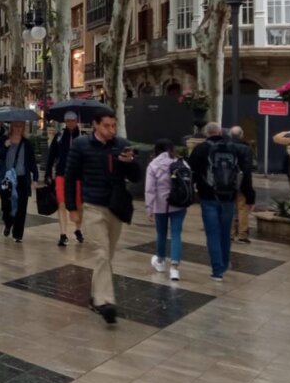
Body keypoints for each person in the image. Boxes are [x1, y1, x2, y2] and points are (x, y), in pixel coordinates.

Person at [65, 109, 140, 325]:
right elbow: (70, 177)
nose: (111, 130)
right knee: (101, 253)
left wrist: (130, 162)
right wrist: (72, 208)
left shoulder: (121, 145)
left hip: (116, 207)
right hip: (92, 207)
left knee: (107, 255)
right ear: (95, 125)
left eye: (113, 126)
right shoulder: (81, 145)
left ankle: (95, 296)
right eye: (106, 126)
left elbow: (136, 176)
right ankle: (105, 301)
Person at [189, 121, 255, 281]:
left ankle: (217, 271)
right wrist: (250, 197)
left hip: (208, 197)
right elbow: (245, 174)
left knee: (212, 234)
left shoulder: (200, 149)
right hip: (229, 197)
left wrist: (192, 193)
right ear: (220, 132)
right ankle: (224, 264)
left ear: (206, 134)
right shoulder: (234, 149)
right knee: (225, 233)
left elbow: (191, 172)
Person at [144, 139, 186, 281]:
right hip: (179, 203)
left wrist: (149, 207)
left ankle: (161, 261)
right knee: (176, 234)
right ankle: (174, 268)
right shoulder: (181, 162)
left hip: (160, 205)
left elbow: (150, 189)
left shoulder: (153, 165)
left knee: (161, 233)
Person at [0, 121, 39, 242]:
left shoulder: (26, 143)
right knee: (6, 206)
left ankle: (18, 234)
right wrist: (5, 146)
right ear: (12, 127)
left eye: (21, 126)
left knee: (21, 207)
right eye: (16, 126)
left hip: (22, 178)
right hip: (7, 179)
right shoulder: (4, 140)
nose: (18, 129)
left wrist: (35, 178)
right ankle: (8, 223)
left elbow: (32, 161)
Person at [45, 111, 85, 248]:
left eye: (72, 120)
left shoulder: (83, 138)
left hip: (78, 177)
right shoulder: (59, 137)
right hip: (62, 175)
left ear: (77, 121)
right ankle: (63, 234)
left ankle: (78, 229)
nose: (70, 123)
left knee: (79, 206)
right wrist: (48, 173)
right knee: (61, 204)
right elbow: (51, 155)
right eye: (67, 121)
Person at [229, 126, 255, 243]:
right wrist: (250, 190)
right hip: (241, 182)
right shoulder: (246, 149)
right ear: (241, 135)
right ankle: (242, 235)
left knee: (229, 207)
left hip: (226, 182)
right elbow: (247, 170)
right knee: (242, 207)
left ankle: (230, 233)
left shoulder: (225, 146)